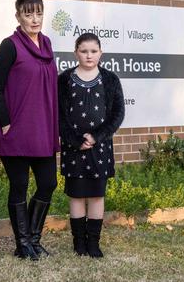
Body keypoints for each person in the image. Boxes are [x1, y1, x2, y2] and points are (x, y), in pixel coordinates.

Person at [0, 0, 59, 260]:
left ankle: (33, 239)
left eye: (39, 13)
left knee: (48, 183)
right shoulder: (10, 46)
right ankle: (23, 244)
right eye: (28, 14)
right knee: (19, 186)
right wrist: (6, 123)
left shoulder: (48, 45)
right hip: (15, 130)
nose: (35, 19)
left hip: (42, 130)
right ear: (18, 16)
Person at [58, 33, 125, 258]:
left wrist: (96, 136)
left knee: (96, 196)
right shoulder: (64, 79)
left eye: (93, 51)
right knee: (76, 196)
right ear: (76, 52)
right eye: (84, 51)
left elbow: (117, 114)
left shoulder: (111, 79)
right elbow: (59, 115)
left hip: (100, 148)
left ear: (101, 53)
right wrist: (75, 140)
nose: (89, 55)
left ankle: (93, 243)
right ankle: (79, 243)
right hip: (73, 148)